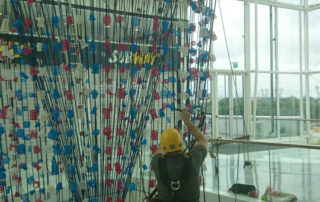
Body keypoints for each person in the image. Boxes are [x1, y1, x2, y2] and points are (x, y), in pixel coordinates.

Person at [151, 108, 208, 202]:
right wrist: (187, 121)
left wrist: (170, 136)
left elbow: (160, 150)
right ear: (181, 144)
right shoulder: (193, 159)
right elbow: (202, 140)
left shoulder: (157, 162)